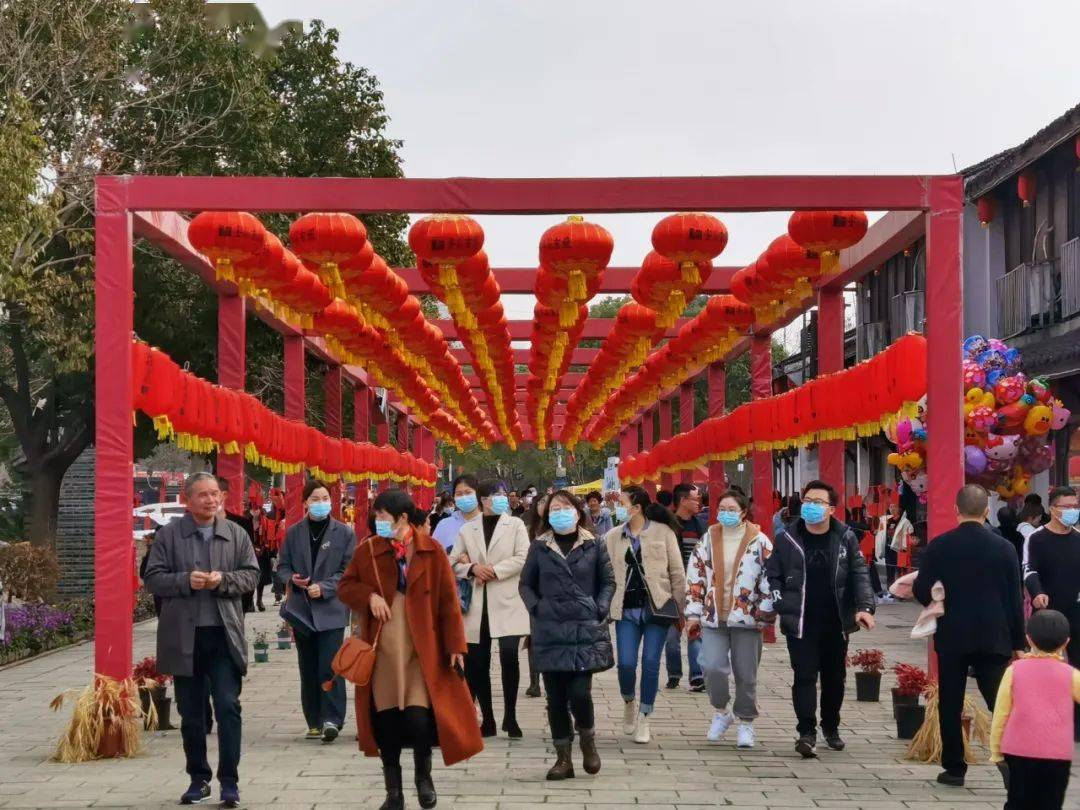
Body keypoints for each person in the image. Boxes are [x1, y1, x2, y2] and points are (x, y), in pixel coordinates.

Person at [337, 489, 482, 810]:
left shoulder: (431, 550)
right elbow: (345, 587)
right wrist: (369, 597)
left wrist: (455, 645)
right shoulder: (368, 550)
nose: (377, 521)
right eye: (376, 516)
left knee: (419, 720)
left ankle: (423, 777)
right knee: (387, 722)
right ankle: (394, 792)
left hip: (422, 650)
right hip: (384, 651)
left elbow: (448, 601)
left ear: (402, 518)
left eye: (383, 516)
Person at [143, 472, 259, 808]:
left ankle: (230, 782)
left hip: (224, 635)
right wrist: (184, 581)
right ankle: (199, 778)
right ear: (188, 500)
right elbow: (152, 578)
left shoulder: (235, 534)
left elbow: (252, 575)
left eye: (215, 494)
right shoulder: (168, 535)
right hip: (184, 636)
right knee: (191, 713)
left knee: (228, 706)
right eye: (203, 495)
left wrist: (223, 580)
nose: (211, 500)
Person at [913, 484, 1025, 787]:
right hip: (995, 634)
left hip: (953, 634)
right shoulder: (1005, 548)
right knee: (998, 700)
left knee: (950, 701)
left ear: (956, 510)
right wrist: (1019, 643)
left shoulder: (939, 546)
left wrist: (936, 596)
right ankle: (1011, 760)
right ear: (987, 511)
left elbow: (922, 590)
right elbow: (1015, 599)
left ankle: (954, 768)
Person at [766, 479, 875, 759]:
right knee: (804, 676)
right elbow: (774, 573)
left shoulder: (845, 537)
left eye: (818, 502)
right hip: (800, 621)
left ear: (831, 509)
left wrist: (865, 607)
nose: (811, 506)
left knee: (834, 678)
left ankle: (831, 726)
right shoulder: (787, 538)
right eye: (808, 501)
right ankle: (806, 732)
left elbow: (859, 573)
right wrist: (780, 601)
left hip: (835, 621)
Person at [519, 489, 615, 780]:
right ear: (547, 515)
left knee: (579, 693)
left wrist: (599, 607)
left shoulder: (594, 544)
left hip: (584, 629)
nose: (560, 513)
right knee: (556, 697)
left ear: (577, 511)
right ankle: (563, 758)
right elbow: (526, 584)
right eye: (554, 509)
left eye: (565, 507)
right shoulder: (540, 546)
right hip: (549, 630)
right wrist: (537, 608)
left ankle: (587, 740)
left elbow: (608, 582)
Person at [687, 490, 773, 749]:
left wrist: (765, 611)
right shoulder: (708, 539)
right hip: (713, 616)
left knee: (746, 674)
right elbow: (695, 576)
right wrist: (693, 613)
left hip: (748, 618)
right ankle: (721, 711)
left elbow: (770, 579)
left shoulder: (759, 541)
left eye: (731, 509)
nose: (725, 513)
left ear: (743, 512)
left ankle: (746, 721)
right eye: (722, 509)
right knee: (711, 666)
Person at [276, 480, 358, 743]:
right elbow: (282, 567)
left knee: (330, 664)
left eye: (324, 498)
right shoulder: (294, 533)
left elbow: (348, 570)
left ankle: (332, 719)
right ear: (305, 503)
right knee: (308, 665)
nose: (321, 503)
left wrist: (325, 587)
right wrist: (292, 579)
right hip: (302, 610)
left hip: (331, 608)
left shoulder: (344, 533)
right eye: (315, 499)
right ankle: (313, 720)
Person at [604, 486, 685, 744]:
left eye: (621, 503)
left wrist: (680, 609)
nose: (617, 508)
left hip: (657, 607)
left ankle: (644, 715)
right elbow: (605, 574)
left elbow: (677, 573)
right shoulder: (612, 536)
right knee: (626, 663)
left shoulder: (663, 532)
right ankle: (629, 700)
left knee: (651, 663)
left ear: (637, 507)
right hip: (625, 609)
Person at [451, 480, 531, 738]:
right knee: (478, 661)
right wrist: (472, 568)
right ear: (483, 500)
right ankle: (488, 718)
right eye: (495, 495)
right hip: (478, 601)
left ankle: (511, 715)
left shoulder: (515, 525)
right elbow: (452, 561)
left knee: (509, 655)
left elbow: (523, 556)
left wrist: (494, 571)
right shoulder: (467, 529)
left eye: (502, 494)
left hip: (508, 598)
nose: (501, 498)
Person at [990, 609, 1080, 810]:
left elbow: (1001, 713)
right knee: (1051, 803)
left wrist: (996, 750)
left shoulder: (1014, 671)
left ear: (1028, 639)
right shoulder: (1071, 675)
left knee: (1018, 801)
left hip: (1018, 750)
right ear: (1066, 642)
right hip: (1057, 753)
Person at [1022, 485, 1080, 740]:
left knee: (1077, 667)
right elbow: (1029, 570)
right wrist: (1037, 593)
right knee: (1045, 666)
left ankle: (1076, 725)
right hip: (1048, 613)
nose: (1072, 511)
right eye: (1067, 507)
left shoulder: (1078, 538)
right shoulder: (1036, 538)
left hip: (1077, 610)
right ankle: (1043, 718)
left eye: (1075, 506)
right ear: (1053, 509)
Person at [666, 482, 707, 691]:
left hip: (696, 588)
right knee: (672, 637)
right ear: (683, 500)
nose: (699, 502)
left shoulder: (701, 526)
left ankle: (697, 676)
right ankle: (674, 673)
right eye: (695, 498)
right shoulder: (668, 526)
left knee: (694, 630)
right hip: (671, 588)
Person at [432, 474, 482, 553]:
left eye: (468, 492)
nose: (464, 497)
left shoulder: (489, 523)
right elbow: (433, 554)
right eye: (459, 494)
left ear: (479, 494)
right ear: (454, 497)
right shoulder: (444, 525)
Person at [879, 502, 913, 589]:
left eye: (894, 507)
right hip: (888, 548)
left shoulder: (905, 521)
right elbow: (880, 533)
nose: (892, 509)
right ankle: (890, 588)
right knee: (889, 570)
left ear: (899, 509)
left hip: (899, 549)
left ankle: (899, 589)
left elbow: (911, 531)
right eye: (890, 507)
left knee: (900, 570)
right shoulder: (886, 520)